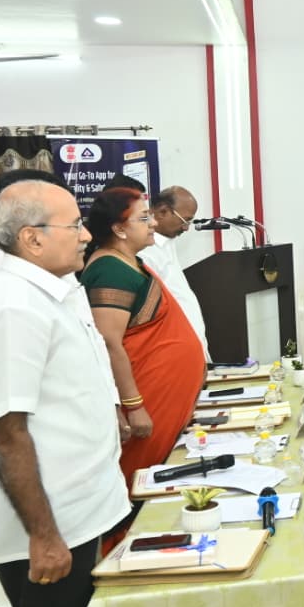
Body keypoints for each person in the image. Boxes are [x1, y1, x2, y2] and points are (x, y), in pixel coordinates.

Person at [0, 180, 130, 607]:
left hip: (77, 510)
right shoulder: (11, 306)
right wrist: (45, 536)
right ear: (32, 238)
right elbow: (6, 432)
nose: (86, 234)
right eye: (74, 225)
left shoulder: (51, 283)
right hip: (52, 527)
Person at [82, 187, 207, 488]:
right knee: (141, 482)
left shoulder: (130, 261)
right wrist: (134, 406)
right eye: (143, 218)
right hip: (144, 398)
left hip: (162, 395)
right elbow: (108, 343)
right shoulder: (109, 270)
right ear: (119, 229)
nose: (152, 223)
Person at [139, 185, 210, 361]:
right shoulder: (145, 252)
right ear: (162, 212)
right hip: (172, 352)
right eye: (185, 220)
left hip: (191, 349)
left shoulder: (167, 243)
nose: (186, 228)